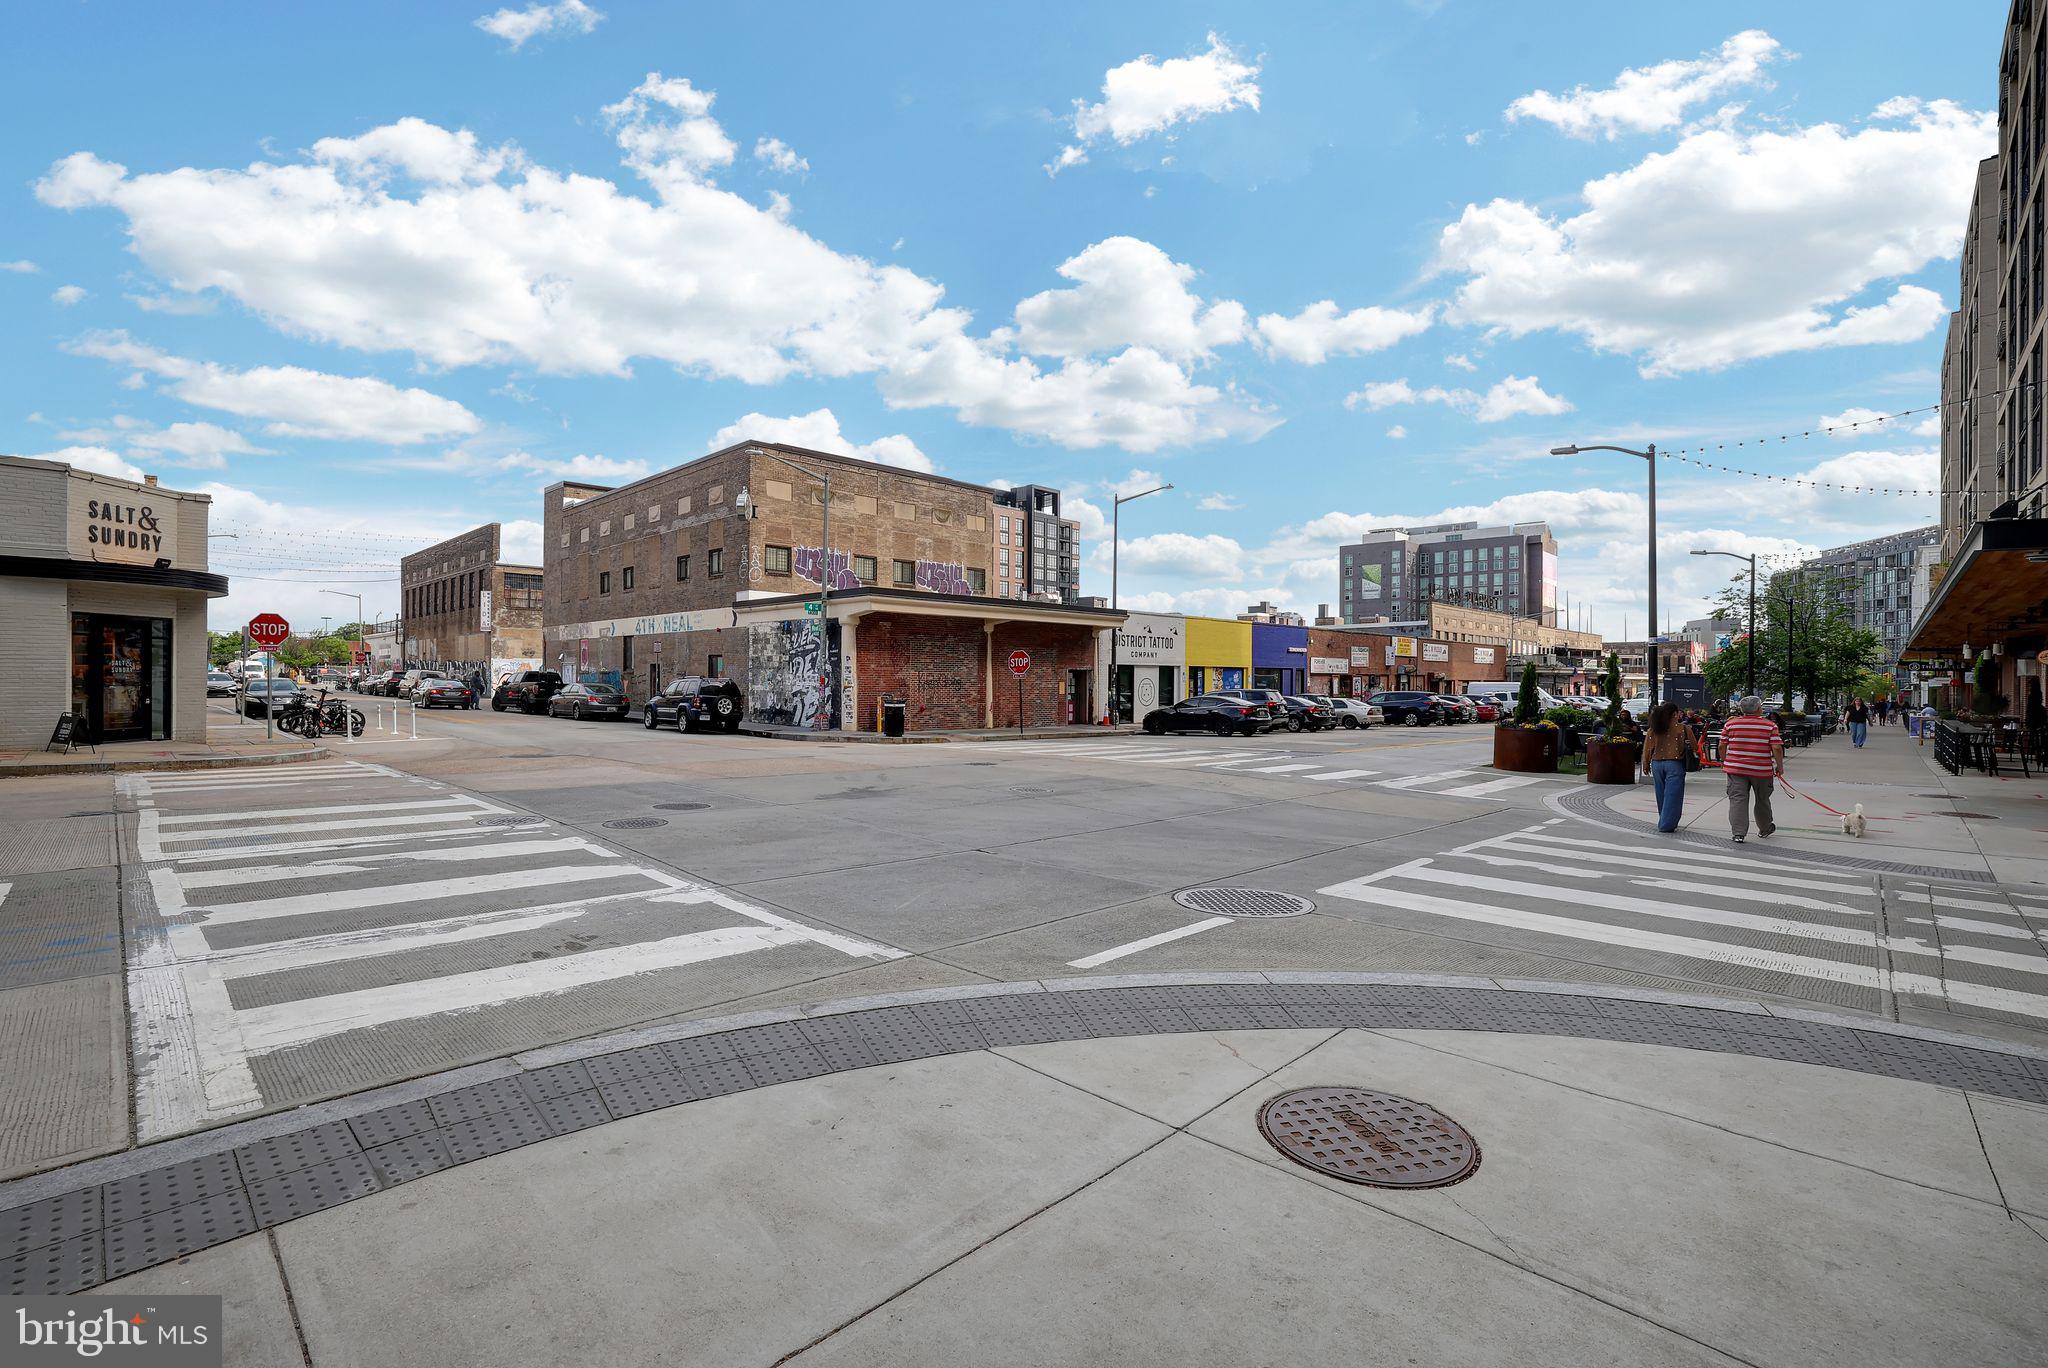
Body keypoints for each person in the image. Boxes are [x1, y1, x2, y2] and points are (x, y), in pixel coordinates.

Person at [1720, 696, 1784, 843]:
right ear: (1758, 709)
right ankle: (1765, 828)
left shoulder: (1730, 724)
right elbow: (1776, 748)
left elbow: (1722, 745)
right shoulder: (1770, 726)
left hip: (1736, 769)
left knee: (1737, 799)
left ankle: (1738, 833)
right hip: (1761, 770)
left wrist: (1724, 761)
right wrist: (1779, 767)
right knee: (1762, 799)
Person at [1640, 701, 1694, 834]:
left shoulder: (1654, 728)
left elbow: (1647, 748)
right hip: (1675, 763)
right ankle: (1666, 824)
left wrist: (1645, 763)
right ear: (1675, 714)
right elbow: (1694, 746)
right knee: (1673, 795)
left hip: (1657, 763)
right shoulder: (1683, 728)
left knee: (1661, 793)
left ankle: (1663, 818)